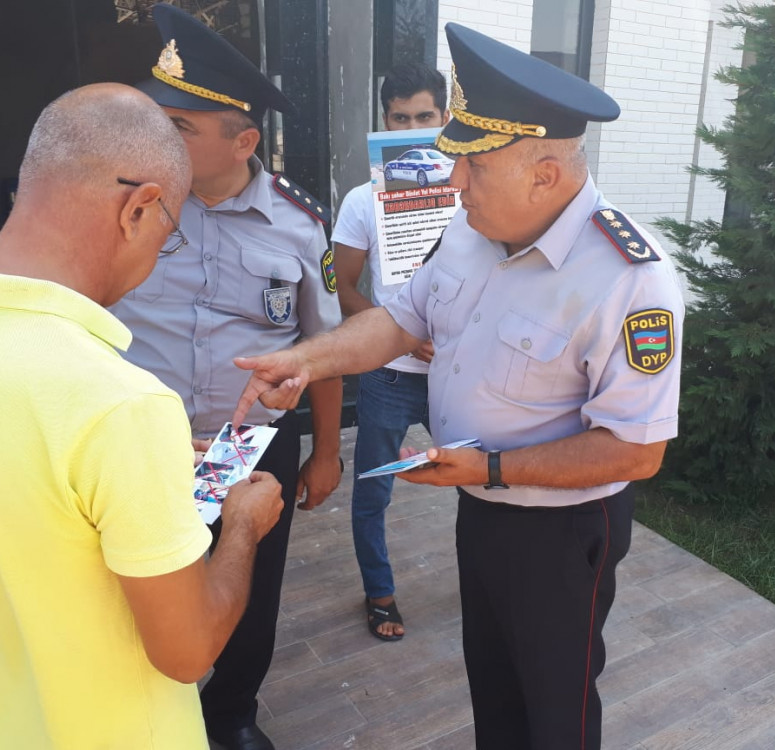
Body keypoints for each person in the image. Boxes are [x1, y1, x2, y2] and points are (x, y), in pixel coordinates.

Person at [231, 22, 685, 750]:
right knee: (496, 697)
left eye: (474, 165)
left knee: (555, 710)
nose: (453, 181)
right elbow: (400, 320)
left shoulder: (629, 278)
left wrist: (493, 468)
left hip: (561, 532)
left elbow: (636, 452)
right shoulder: (471, 230)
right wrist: (310, 361)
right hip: (479, 507)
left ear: (545, 171)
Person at [0, 83, 284, 749]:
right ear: (138, 209)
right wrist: (244, 529)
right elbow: (189, 651)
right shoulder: (120, 404)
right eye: (168, 233)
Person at [109, 6, 343, 750]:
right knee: (138, 585)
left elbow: (324, 347)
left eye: (178, 126)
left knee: (249, 589)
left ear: (243, 140)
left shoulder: (299, 226)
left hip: (246, 447)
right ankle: (146, 712)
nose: (155, 137)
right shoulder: (130, 202)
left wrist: (328, 452)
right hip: (140, 445)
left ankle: (233, 713)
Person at [334, 62, 450, 641]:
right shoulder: (361, 201)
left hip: (458, 371)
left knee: (485, 481)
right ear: (384, 121)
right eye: (400, 118)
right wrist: (400, 332)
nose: (411, 126)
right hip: (387, 373)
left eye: (423, 117)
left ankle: (491, 580)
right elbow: (347, 292)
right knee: (374, 489)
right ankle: (379, 594)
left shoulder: (475, 194)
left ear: (445, 118)